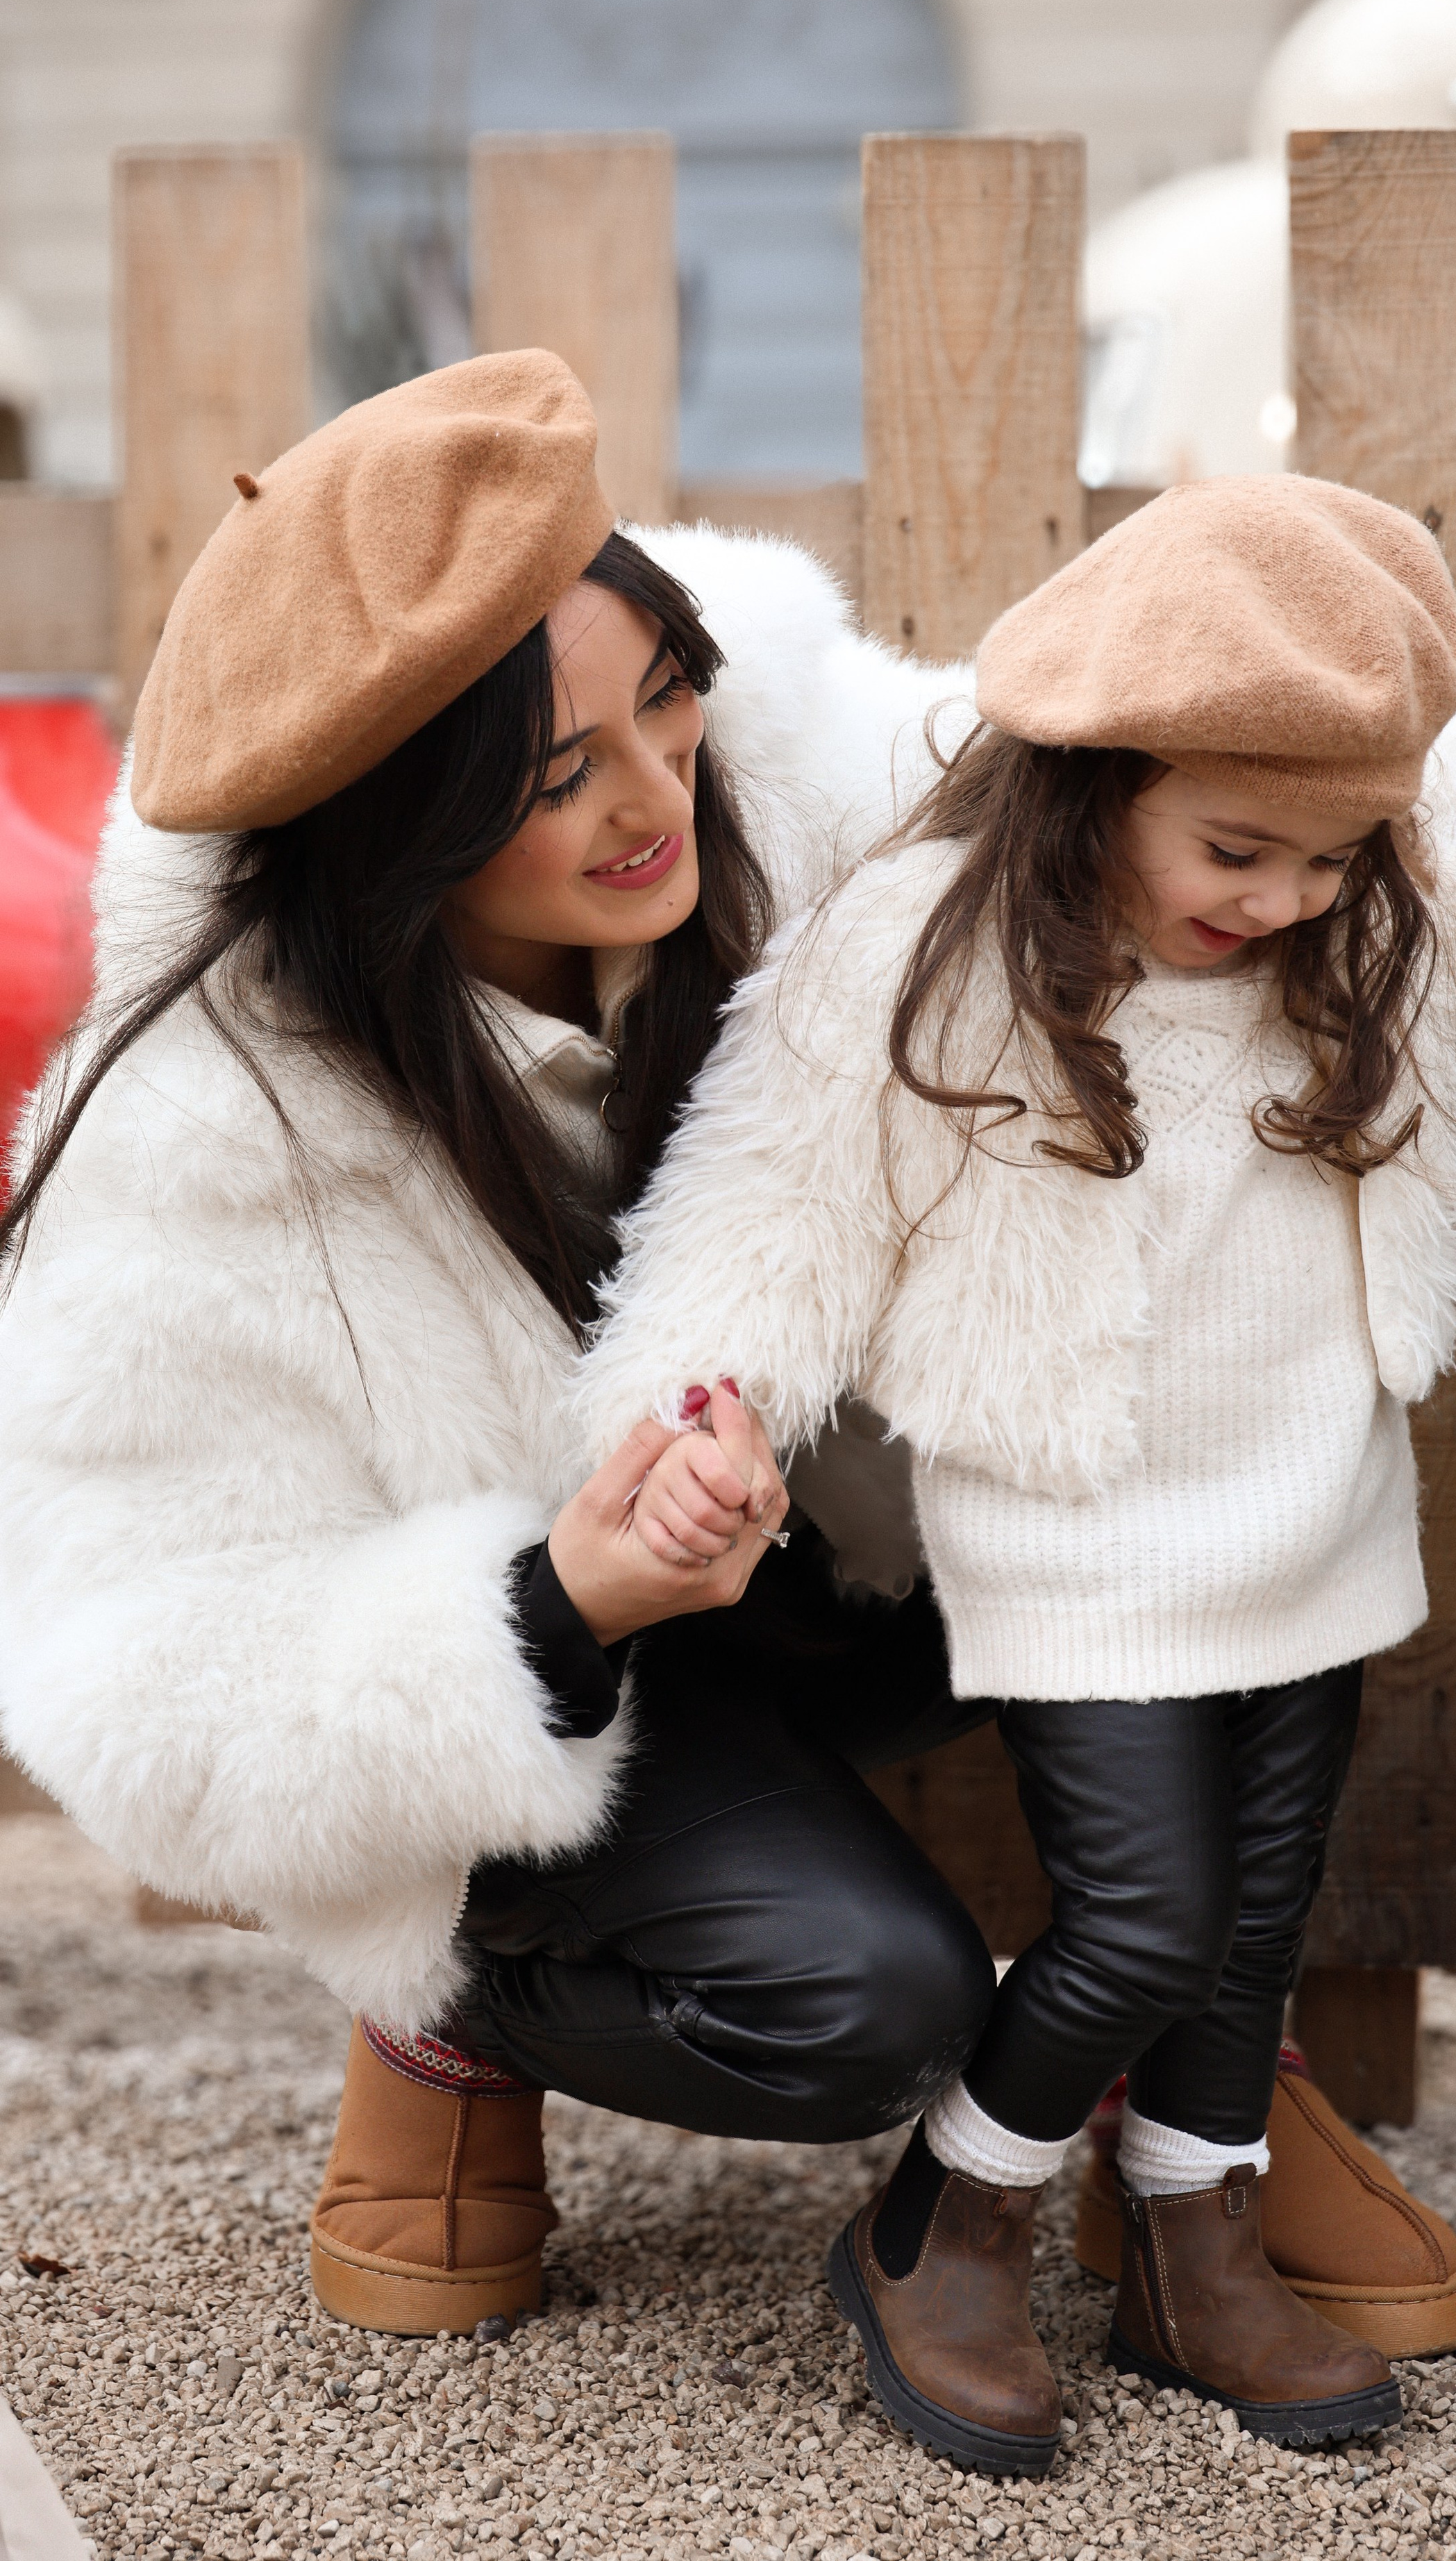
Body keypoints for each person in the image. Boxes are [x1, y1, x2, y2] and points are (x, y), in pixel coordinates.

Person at [564, 475, 1456, 2472]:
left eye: (1334, 855)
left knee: (1252, 1929)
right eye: (1235, 849)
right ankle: (947, 2214)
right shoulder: (927, 943)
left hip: (1308, 1500)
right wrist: (699, 1405)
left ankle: (1191, 2249)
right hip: (1078, 1515)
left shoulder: (1350, 920)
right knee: (1144, 1919)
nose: (1283, 898)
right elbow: (780, 1202)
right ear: (1093, 776)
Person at [0, 349, 1000, 2336]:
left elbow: (1103, 772)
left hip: (838, 1563)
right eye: (560, 783)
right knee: (865, 2006)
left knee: (1179, 1548)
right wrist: (557, 1602)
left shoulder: (783, 758)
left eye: (668, 695)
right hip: (565, 1680)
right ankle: (454, 2017)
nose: (660, 798)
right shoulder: (203, 1129)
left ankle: (1196, 2081)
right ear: (397, 833)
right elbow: (139, 1672)